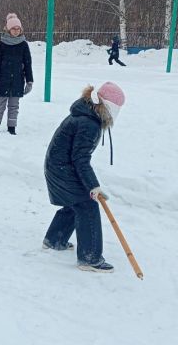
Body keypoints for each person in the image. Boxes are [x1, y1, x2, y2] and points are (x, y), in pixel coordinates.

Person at [43, 82, 126, 273]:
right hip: (63, 168)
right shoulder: (89, 123)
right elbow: (80, 159)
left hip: (58, 166)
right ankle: (90, 258)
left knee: (76, 202)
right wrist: (93, 187)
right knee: (87, 205)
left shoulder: (86, 114)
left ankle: (55, 239)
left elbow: (77, 158)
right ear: (107, 106)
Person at [0, 13, 33, 134]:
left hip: (17, 81)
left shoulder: (24, 45)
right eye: (13, 28)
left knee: (14, 106)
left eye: (18, 28)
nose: (16, 30)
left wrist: (29, 81)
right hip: (2, 80)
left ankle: (11, 127)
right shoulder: (2, 44)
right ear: (8, 29)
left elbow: (28, 64)